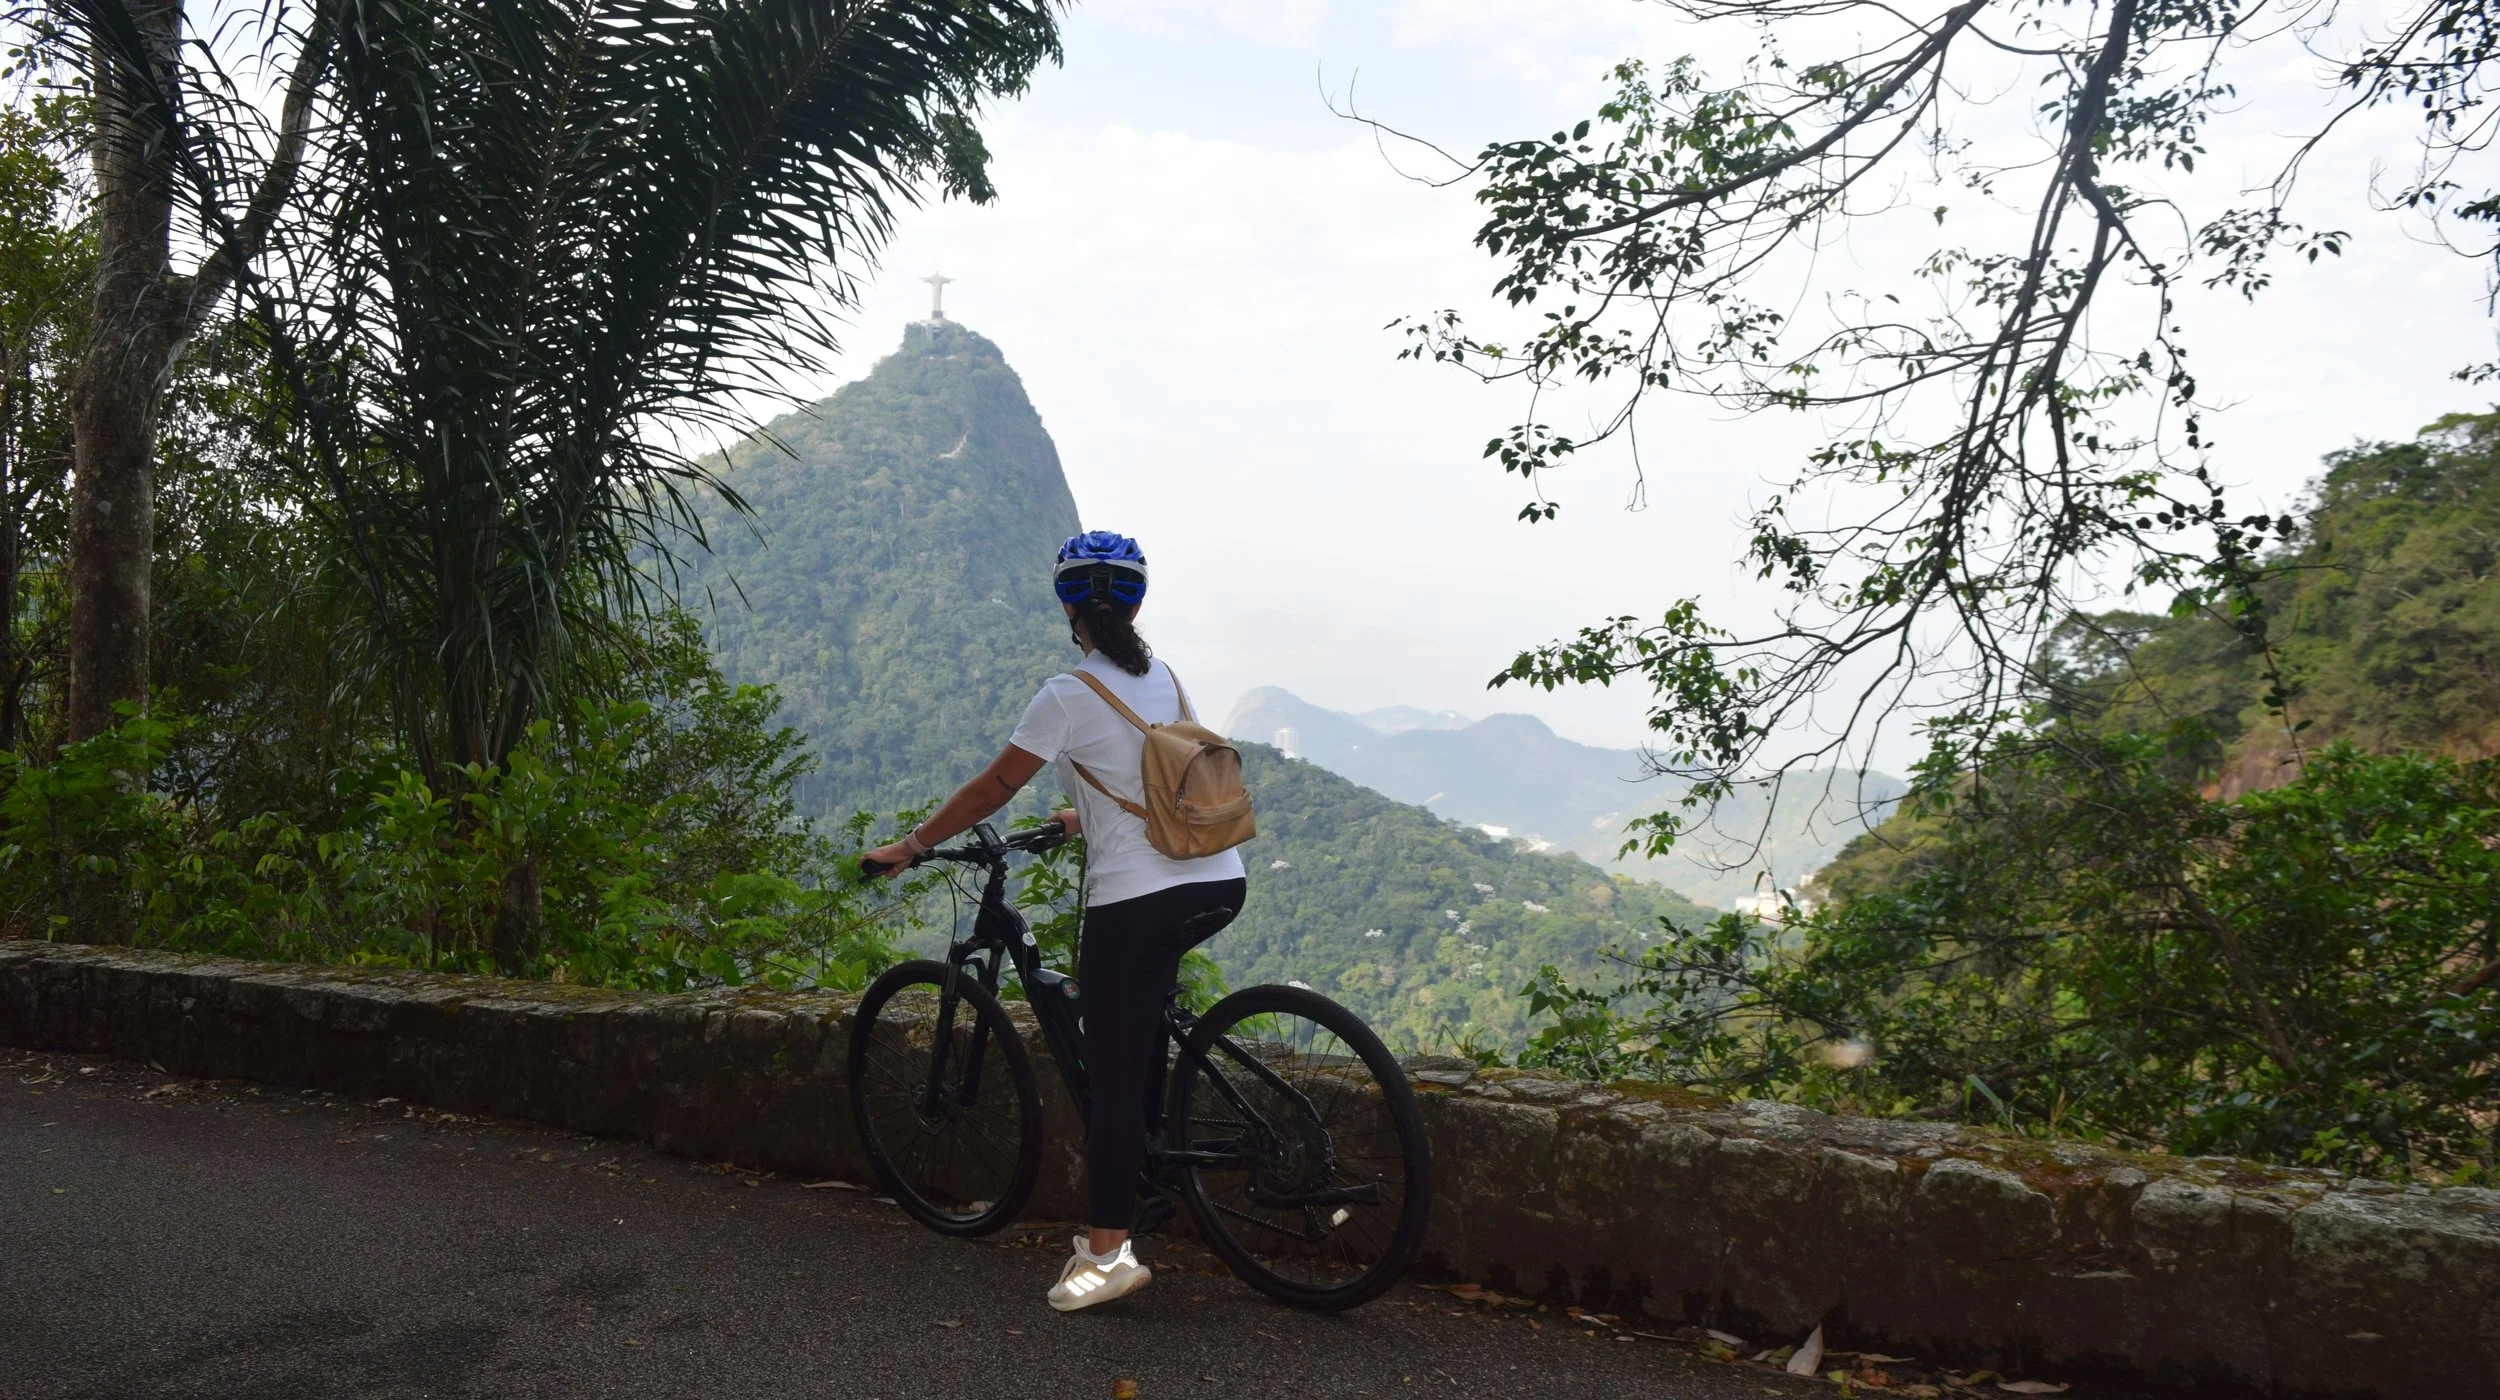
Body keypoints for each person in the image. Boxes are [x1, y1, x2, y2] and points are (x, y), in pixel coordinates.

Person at [863, 530, 1248, 1313]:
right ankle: (1150, 1168)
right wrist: (1084, 815)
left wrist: (912, 845)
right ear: (1137, 603)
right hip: (1218, 877)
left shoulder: (1067, 694)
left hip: (1137, 900)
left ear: (1068, 606)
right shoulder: (1166, 678)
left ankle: (1106, 1258)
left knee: (1109, 1083)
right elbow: (1168, 770)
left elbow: (993, 788)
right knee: (1138, 1030)